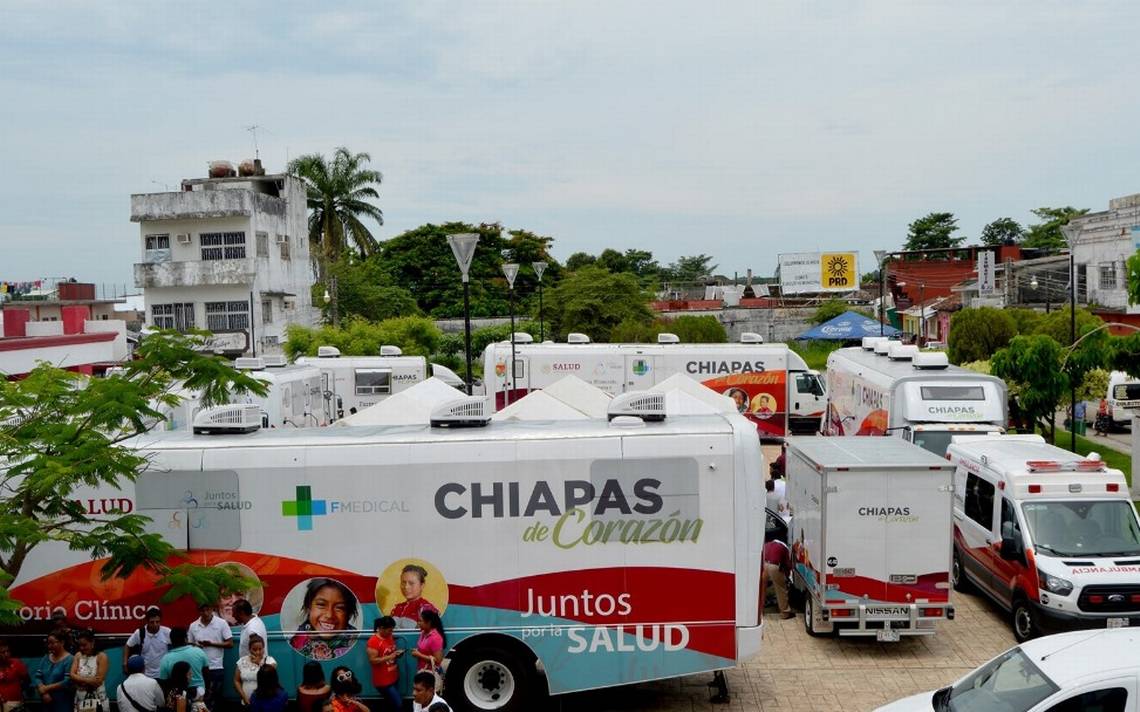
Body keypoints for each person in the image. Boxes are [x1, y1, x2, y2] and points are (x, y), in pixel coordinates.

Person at [290, 579, 358, 660]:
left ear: (349, 614)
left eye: (339, 608)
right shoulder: (297, 641)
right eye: (321, 604)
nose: (329, 615)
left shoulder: (357, 642)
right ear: (308, 607)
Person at [187, 603, 232, 709]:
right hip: (198, 669)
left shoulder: (221, 623)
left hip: (215, 667)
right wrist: (196, 645)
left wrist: (211, 644)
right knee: (199, 700)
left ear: (212, 609)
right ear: (199, 611)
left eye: (208, 610)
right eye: (203, 610)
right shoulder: (193, 625)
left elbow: (230, 643)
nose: (206, 613)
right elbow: (189, 645)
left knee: (215, 699)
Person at [158, 629, 208, 704]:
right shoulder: (199, 652)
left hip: (178, 698)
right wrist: (207, 692)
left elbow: (163, 683)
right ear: (186, 639)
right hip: (200, 696)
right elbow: (207, 674)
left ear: (171, 641)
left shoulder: (165, 659)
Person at [366, 617, 402, 711]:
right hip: (383, 680)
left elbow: (389, 652)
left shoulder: (389, 636)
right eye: (389, 630)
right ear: (381, 628)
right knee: (398, 703)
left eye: (392, 630)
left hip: (393, 676)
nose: (391, 633)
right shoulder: (373, 641)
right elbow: (373, 660)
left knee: (391, 703)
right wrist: (390, 657)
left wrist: (396, 654)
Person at [124, 607, 171, 679]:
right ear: (147, 622)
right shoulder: (139, 633)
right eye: (152, 622)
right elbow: (128, 645)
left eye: (157, 622)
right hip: (145, 675)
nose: (155, 624)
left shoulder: (167, 632)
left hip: (162, 675)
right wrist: (125, 663)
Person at [68, 630, 108, 712]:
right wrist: (89, 680)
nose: (81, 648)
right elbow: (71, 675)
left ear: (92, 642)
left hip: (98, 700)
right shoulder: (78, 655)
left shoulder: (101, 656)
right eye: (79, 645)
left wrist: (78, 680)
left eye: (84, 645)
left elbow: (98, 681)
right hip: (80, 700)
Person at [233, 635, 277, 707]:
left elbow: (270, 677)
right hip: (246, 701)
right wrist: (244, 697)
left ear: (264, 648)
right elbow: (236, 680)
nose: (258, 652)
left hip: (265, 702)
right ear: (249, 649)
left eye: (260, 649)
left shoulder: (270, 661)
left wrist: (259, 663)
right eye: (254, 649)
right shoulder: (242, 661)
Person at [34, 632, 73, 712]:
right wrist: (44, 692)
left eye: (52, 643)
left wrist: (46, 688)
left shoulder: (70, 659)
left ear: (62, 642)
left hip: (63, 702)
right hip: (46, 700)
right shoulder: (46, 657)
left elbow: (67, 681)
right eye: (48, 643)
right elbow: (38, 677)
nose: (49, 646)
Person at [762, 532, 794, 619]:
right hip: (774, 566)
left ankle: (760, 612)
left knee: (762, 589)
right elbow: (787, 564)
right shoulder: (784, 547)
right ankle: (785, 613)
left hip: (764, 565)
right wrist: (787, 576)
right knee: (781, 589)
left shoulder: (767, 544)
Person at [410, 611, 444, 675]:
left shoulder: (435, 638)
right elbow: (426, 649)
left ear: (429, 623)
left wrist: (419, 655)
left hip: (430, 673)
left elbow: (438, 660)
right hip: (422, 669)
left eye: (420, 621)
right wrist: (417, 651)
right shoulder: (423, 633)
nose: (418, 623)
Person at [0, 639, 30, 712]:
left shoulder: (17, 663)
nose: (7, 654)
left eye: (8, 651)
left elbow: (27, 680)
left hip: (14, 703)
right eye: (3, 652)